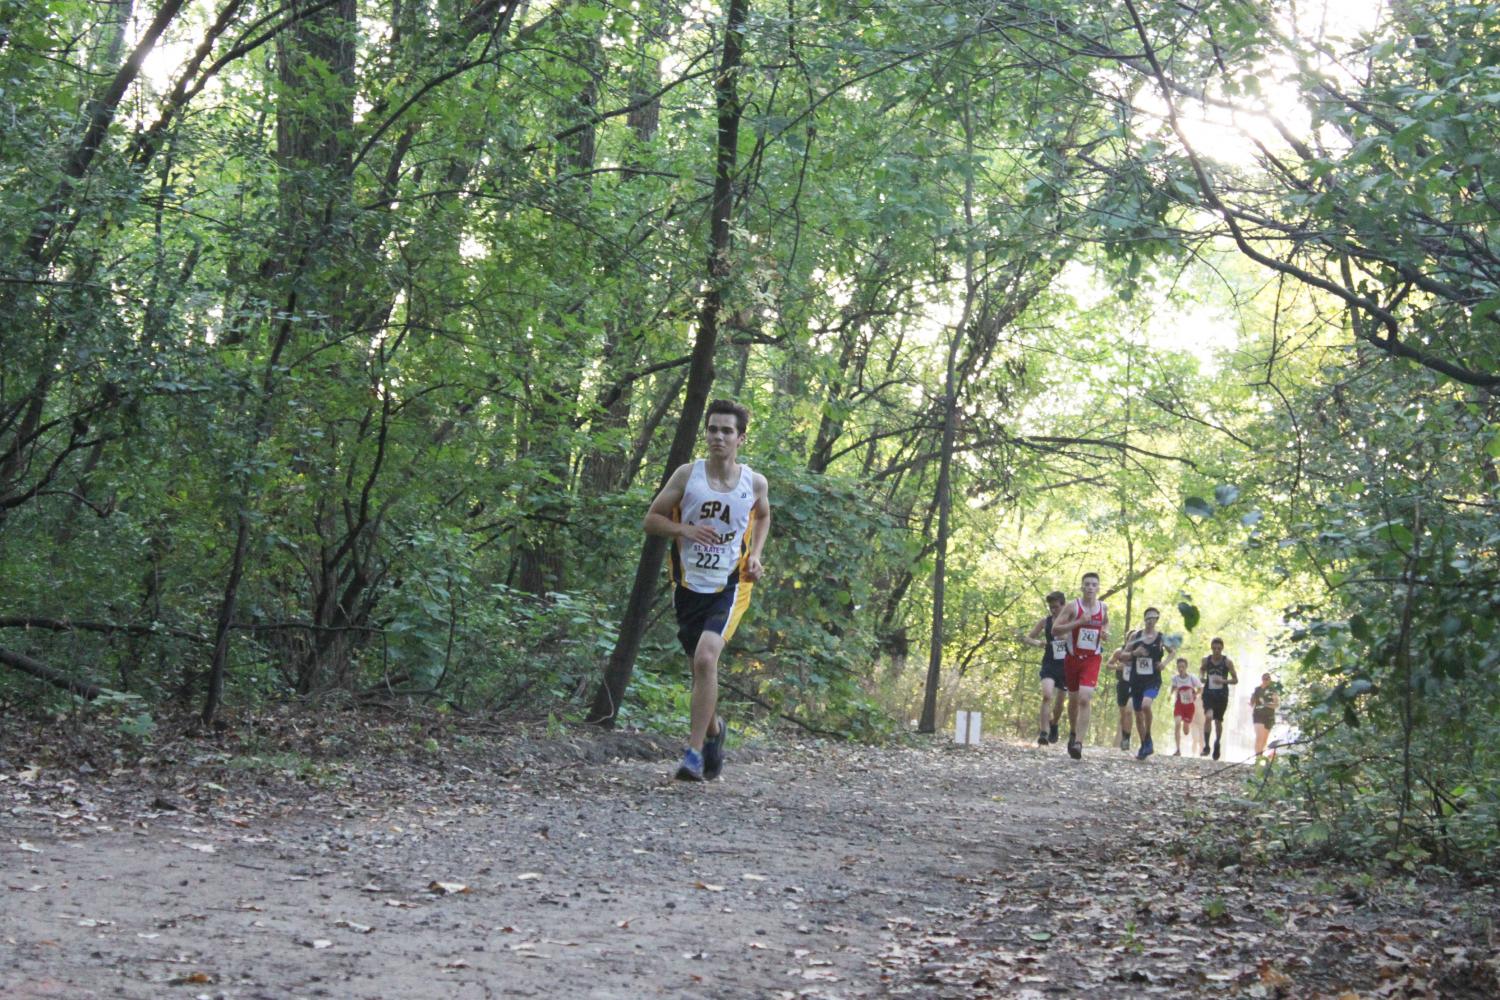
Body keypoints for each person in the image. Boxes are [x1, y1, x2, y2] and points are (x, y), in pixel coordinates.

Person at [643, 399, 770, 781]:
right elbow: (651, 520)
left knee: (705, 657)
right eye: (713, 429)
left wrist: (756, 556)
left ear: (740, 438)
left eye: (726, 430)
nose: (718, 436)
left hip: (730, 585)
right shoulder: (687, 476)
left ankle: (694, 754)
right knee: (701, 669)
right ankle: (714, 732)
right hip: (688, 585)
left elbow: (763, 514)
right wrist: (684, 530)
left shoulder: (754, 482)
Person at [1048, 572, 1109, 759]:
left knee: (1085, 697)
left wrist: (1105, 632)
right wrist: (1078, 623)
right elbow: (1055, 629)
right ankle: (1073, 732)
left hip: (1092, 659)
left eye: (1094, 584)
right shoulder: (1073, 607)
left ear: (1098, 588)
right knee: (1073, 700)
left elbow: (1106, 625)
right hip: (1072, 658)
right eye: (1087, 584)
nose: (1090, 587)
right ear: (1082, 587)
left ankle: (1079, 744)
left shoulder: (1103, 607)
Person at [1111, 607, 1166, 759]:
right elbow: (1122, 656)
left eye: (1153, 617)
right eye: (1147, 617)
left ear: (1157, 620)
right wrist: (1134, 653)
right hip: (1136, 681)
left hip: (1152, 680)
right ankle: (1145, 745)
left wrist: (1164, 663)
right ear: (1144, 619)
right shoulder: (1136, 636)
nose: (1150, 620)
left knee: (1146, 706)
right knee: (1138, 715)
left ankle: (1148, 736)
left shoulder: (1161, 637)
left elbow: (1173, 651)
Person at [1021, 591, 1069, 745]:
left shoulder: (1071, 621)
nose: (1053, 610)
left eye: (1056, 607)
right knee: (1047, 695)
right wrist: (1038, 643)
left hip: (1067, 665)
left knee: (1060, 702)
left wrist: (1067, 638)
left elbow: (1081, 639)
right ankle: (1044, 731)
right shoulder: (1045, 621)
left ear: (1063, 605)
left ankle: (1054, 724)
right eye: (1051, 607)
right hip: (1049, 662)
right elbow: (1027, 638)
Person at [1199, 638, 1238, 760]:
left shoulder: (1227, 662)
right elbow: (1201, 670)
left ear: (1222, 649)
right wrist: (1201, 677)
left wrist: (1223, 681)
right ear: (1211, 648)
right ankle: (1206, 746)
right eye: (1214, 648)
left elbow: (1235, 680)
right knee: (1208, 716)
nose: (1216, 651)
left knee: (1218, 721)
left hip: (1221, 695)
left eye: (1219, 649)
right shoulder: (1206, 660)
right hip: (1209, 693)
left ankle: (1217, 742)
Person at [1168, 657, 1201, 756]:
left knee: (1186, 731)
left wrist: (1195, 695)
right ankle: (1178, 749)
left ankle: (1186, 724)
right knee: (1177, 724)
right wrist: (1170, 695)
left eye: (1182, 667)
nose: (1181, 669)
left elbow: (1200, 688)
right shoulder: (1175, 678)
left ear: (1186, 667)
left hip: (1189, 706)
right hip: (1179, 704)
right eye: (1179, 667)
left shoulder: (1192, 678)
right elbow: (1173, 688)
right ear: (1177, 668)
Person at [1251, 673, 1281, 759]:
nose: (1266, 680)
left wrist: (1265, 704)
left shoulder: (1273, 691)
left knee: (1264, 740)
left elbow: (1276, 704)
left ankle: (1261, 757)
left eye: (1267, 679)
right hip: (1258, 715)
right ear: (1262, 679)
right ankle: (1258, 758)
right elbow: (1252, 702)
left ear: (1270, 680)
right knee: (1259, 737)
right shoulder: (1257, 689)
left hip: (1269, 716)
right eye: (1264, 678)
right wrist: (1252, 701)